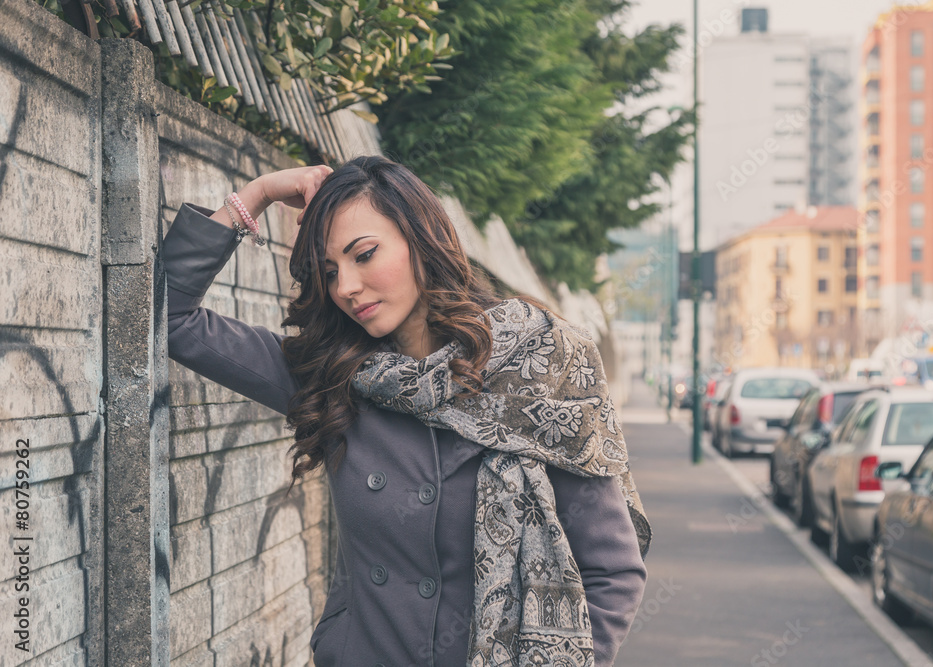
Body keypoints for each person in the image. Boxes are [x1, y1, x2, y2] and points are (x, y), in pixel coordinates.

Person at [162, 155, 650, 666]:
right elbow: (170, 316)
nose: (345, 287)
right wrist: (257, 193)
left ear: (421, 237)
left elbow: (612, 571)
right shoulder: (333, 377)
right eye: (330, 271)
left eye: (364, 255)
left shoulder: (537, 365)